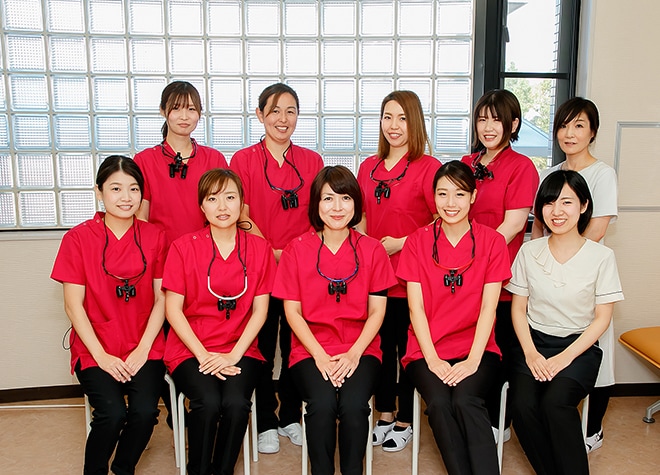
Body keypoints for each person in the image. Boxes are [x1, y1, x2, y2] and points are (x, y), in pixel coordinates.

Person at [272, 166, 396, 475]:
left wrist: (353, 354)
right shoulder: (296, 250)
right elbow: (292, 312)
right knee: (322, 405)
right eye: (328, 198)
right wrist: (320, 356)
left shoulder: (372, 249)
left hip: (361, 349)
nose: (337, 207)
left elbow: (377, 311)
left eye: (345, 198)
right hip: (310, 350)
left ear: (356, 204)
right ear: (316, 204)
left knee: (354, 407)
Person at [51, 155, 167, 475]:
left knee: (145, 413)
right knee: (112, 414)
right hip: (96, 347)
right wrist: (101, 355)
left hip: (144, 344)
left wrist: (143, 348)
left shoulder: (155, 236)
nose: (126, 197)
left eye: (133, 189)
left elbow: (162, 298)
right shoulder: (77, 238)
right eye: (116, 188)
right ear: (99, 192)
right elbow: (73, 305)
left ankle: (123, 467)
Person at [507, 170, 623, 475]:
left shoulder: (601, 256)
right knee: (522, 407)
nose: (556, 211)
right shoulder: (529, 251)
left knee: (555, 405)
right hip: (533, 343)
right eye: (549, 202)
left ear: (584, 206)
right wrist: (531, 353)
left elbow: (602, 318)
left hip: (578, 347)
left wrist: (564, 358)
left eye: (566, 202)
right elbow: (518, 309)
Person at [399, 161, 510, 475]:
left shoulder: (492, 242)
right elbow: (416, 309)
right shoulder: (417, 242)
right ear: (433, 197)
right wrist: (433, 359)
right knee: (439, 402)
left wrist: (473, 360)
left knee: (465, 399)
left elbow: (489, 308)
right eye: (442, 193)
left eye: (460, 194)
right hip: (426, 349)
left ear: (473, 197)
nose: (451, 203)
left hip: (477, 348)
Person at [162, 169, 276, 475]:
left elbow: (260, 310)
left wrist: (233, 355)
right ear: (201, 205)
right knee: (208, 402)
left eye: (230, 197)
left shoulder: (260, 248)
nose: (222, 206)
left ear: (242, 203)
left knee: (237, 404)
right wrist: (204, 356)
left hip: (240, 347)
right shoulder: (183, 247)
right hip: (190, 348)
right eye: (213, 199)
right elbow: (173, 310)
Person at [230, 83, 324, 453]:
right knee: (263, 346)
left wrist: (293, 254)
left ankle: (290, 417)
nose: (283, 119)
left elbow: (320, 213)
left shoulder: (312, 161)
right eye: (274, 111)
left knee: (297, 345)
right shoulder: (243, 161)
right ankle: (266, 420)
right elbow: (241, 213)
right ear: (260, 115)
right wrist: (271, 252)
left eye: (291, 111)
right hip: (260, 265)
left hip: (302, 268)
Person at [531, 97, 618, 453]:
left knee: (596, 350)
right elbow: (539, 227)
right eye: (564, 126)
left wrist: (565, 260)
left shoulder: (603, 174)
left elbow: (597, 229)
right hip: (546, 269)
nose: (570, 133)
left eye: (579, 125)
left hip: (586, 273)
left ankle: (592, 428)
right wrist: (539, 262)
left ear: (592, 132)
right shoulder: (548, 174)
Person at [356, 90, 441, 451]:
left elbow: (442, 220)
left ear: (415, 122)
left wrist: (400, 243)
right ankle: (385, 413)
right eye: (388, 117)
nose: (394, 125)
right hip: (374, 278)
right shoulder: (367, 166)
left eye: (403, 118)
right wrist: (368, 246)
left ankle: (405, 418)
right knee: (379, 349)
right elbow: (359, 216)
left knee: (408, 350)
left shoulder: (429, 167)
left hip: (411, 278)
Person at [461, 89, 539, 437]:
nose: (488, 127)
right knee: (468, 344)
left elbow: (513, 225)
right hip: (461, 276)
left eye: (496, 119)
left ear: (514, 124)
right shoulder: (467, 163)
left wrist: (475, 257)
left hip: (499, 275)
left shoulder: (521, 167)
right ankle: (470, 414)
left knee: (499, 348)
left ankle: (498, 422)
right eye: (482, 119)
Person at [134, 80, 228, 245]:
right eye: (176, 108)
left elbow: (226, 210)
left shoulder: (214, 159)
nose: (184, 116)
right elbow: (141, 217)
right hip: (160, 251)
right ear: (162, 110)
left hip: (206, 251)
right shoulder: (144, 161)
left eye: (191, 109)